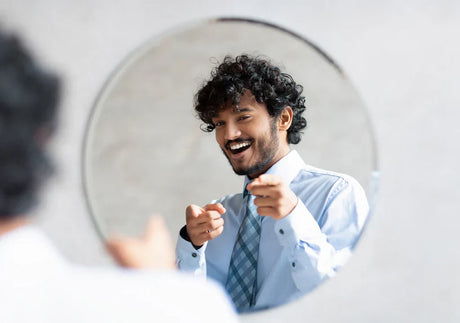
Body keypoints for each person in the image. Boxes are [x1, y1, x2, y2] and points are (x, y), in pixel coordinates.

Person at [0, 30, 237, 322]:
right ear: (41, 137)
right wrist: (166, 296)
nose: (231, 135)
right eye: (220, 123)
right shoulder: (185, 309)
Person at [176, 54, 370, 312]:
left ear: (284, 119)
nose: (229, 135)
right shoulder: (218, 214)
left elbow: (344, 301)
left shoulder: (337, 194)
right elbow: (190, 308)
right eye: (220, 123)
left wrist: (293, 217)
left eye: (243, 117)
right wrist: (191, 245)